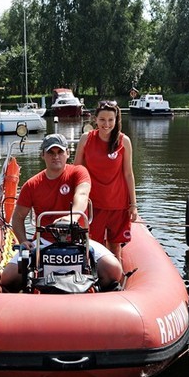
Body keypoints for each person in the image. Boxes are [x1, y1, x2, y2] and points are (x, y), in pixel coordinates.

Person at [0, 133, 123, 292]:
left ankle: (102, 300)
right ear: (43, 154)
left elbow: (82, 195)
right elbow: (18, 217)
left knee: (113, 270)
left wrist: (72, 217)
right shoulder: (32, 185)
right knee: (9, 277)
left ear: (67, 153)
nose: (55, 156)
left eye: (60, 152)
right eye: (51, 152)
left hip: (78, 241)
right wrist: (23, 240)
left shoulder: (78, 172)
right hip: (44, 241)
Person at [74, 100, 138, 261]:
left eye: (110, 120)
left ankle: (115, 280)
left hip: (118, 203)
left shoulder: (124, 141)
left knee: (115, 246)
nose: (106, 124)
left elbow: (128, 174)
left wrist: (134, 204)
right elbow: (76, 171)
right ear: (95, 119)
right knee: (93, 244)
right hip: (93, 204)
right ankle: (94, 280)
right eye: (102, 119)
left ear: (116, 120)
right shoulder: (86, 139)